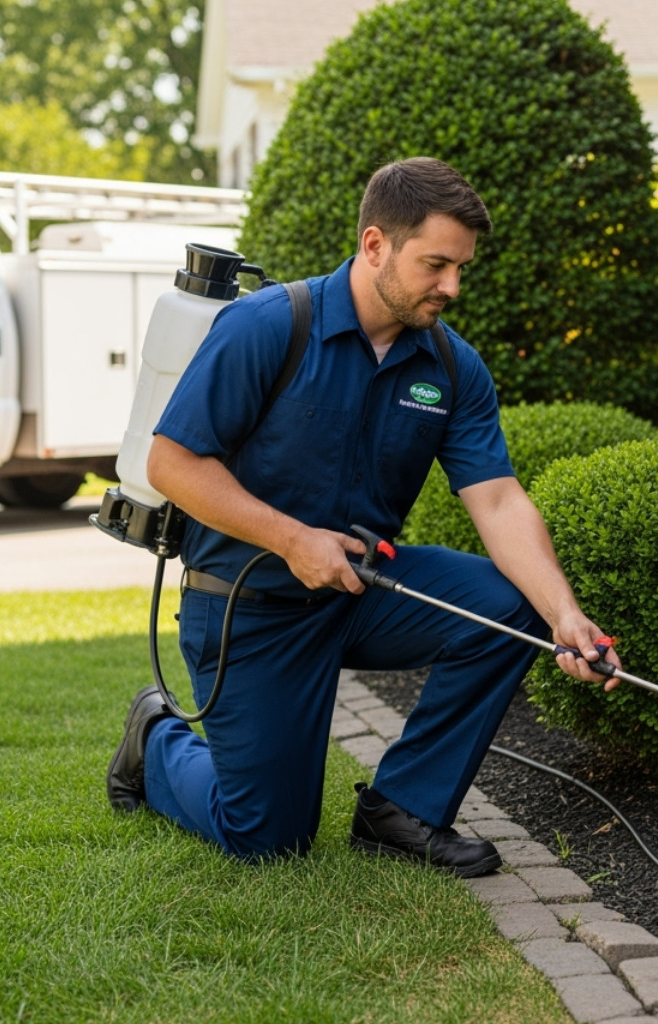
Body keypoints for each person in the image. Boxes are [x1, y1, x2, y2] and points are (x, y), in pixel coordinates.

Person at [105, 157, 620, 877]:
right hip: (250, 606)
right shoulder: (268, 327)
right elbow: (171, 464)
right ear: (375, 244)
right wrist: (292, 539)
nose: (453, 287)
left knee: (513, 608)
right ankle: (157, 736)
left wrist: (566, 616)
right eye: (436, 264)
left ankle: (401, 811)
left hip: (360, 594)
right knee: (266, 838)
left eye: (461, 267)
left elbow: (499, 500)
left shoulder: (451, 367)